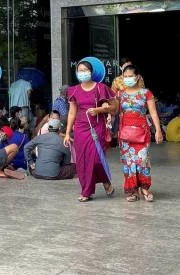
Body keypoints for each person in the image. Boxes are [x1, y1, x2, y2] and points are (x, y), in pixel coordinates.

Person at [64, 60, 117, 202]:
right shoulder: (73, 90)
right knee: (82, 161)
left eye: (85, 70)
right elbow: (71, 113)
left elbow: (114, 108)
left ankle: (105, 181)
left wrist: (100, 109)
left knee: (96, 159)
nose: (82, 73)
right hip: (80, 128)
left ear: (91, 72)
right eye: (79, 70)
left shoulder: (101, 88)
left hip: (97, 127)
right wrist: (68, 132)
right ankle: (86, 191)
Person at [117, 64, 163, 202]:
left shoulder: (146, 93)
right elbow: (116, 112)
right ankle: (132, 190)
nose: (127, 79)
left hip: (142, 132)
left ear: (137, 77)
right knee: (129, 162)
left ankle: (145, 188)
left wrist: (158, 131)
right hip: (125, 134)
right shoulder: (120, 94)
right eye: (125, 77)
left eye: (130, 76)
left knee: (142, 161)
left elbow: (153, 112)